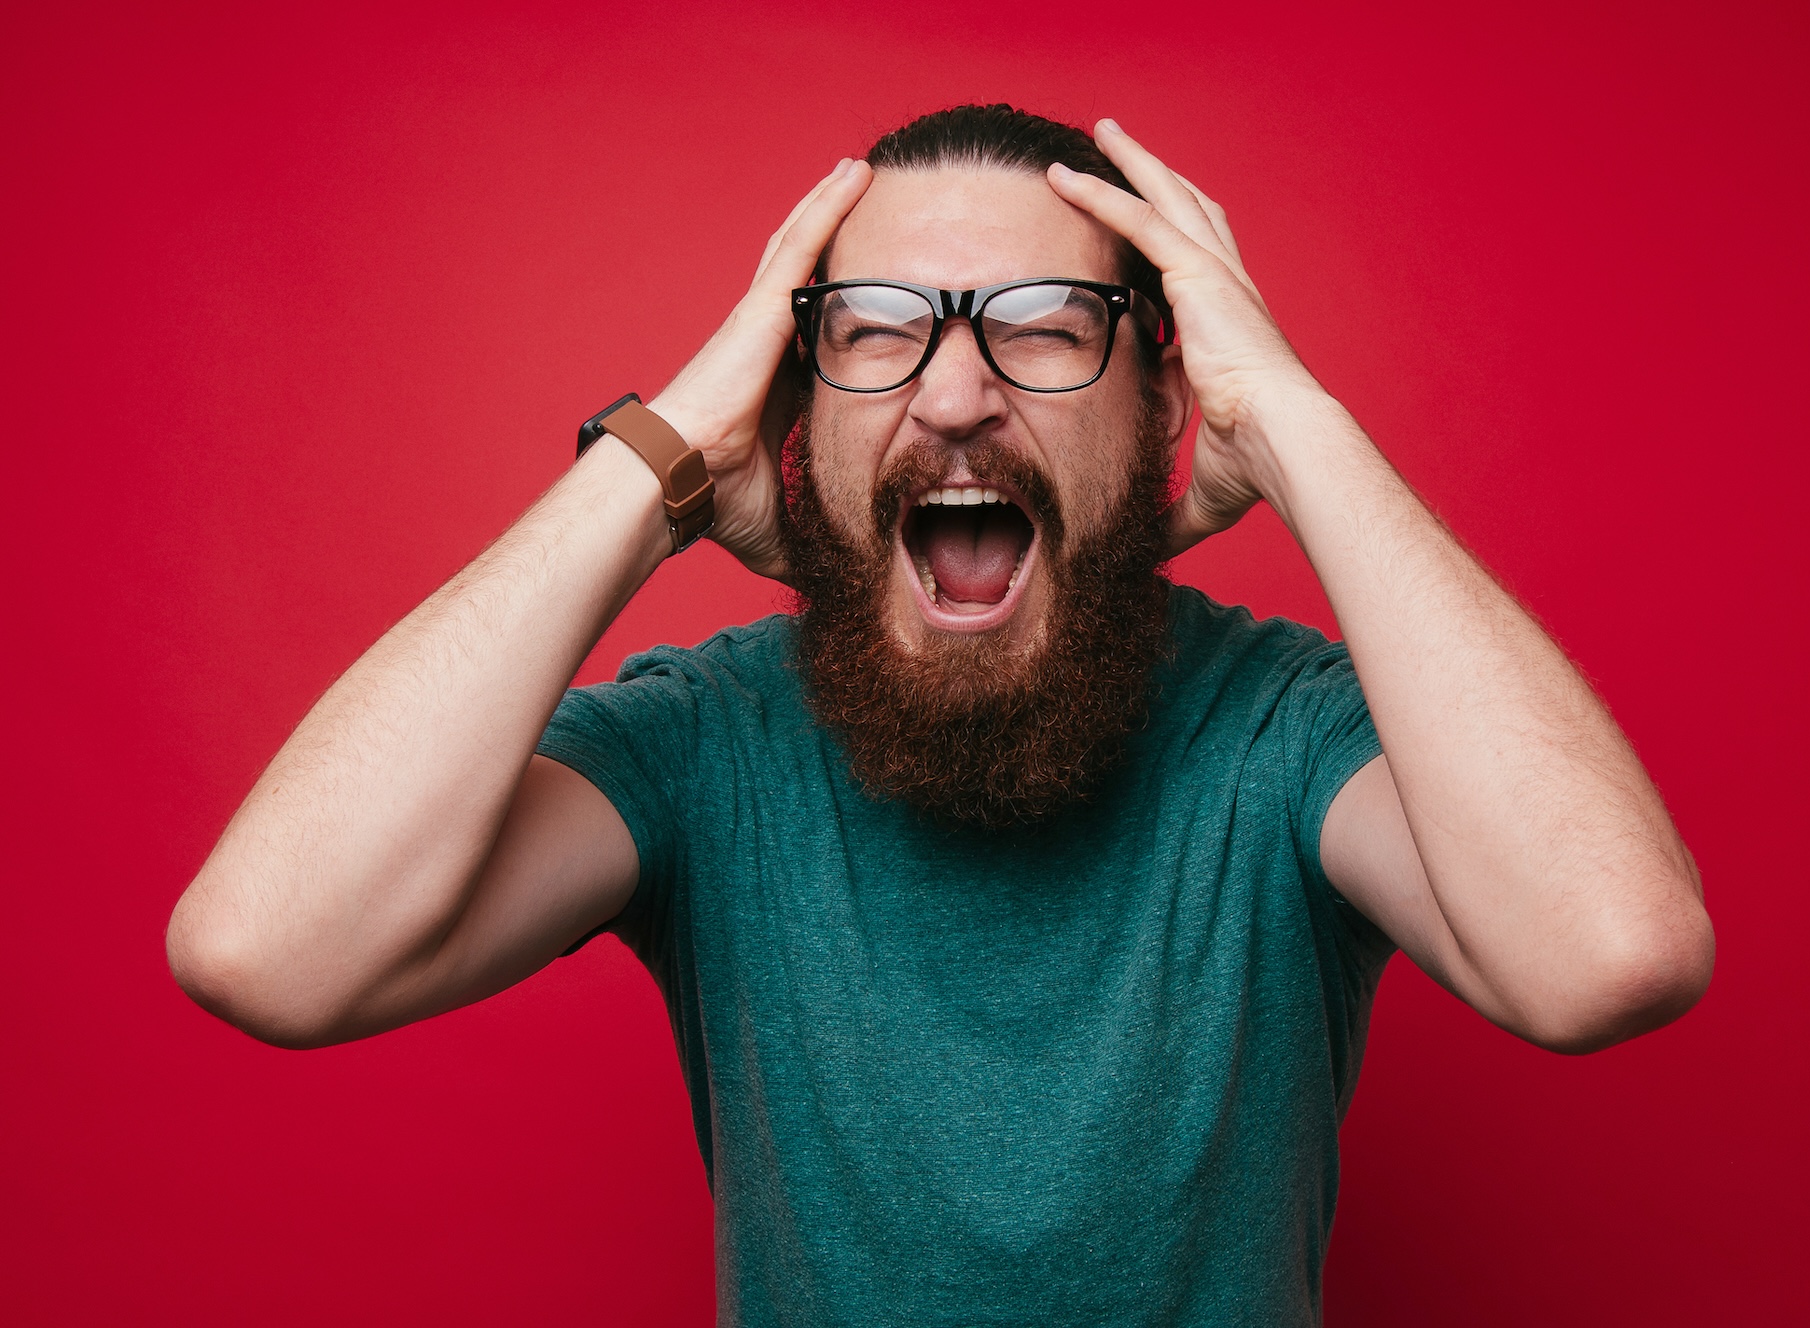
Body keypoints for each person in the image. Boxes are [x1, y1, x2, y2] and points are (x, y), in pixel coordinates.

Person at [167, 105, 1714, 1325]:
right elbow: (272, 950)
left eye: (1044, 325)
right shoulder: (707, 743)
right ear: (795, 420)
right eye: (875, 328)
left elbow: (1607, 956)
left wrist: (1295, 425)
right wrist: (668, 453)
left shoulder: (1283, 731)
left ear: (1164, 405)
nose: (959, 394)